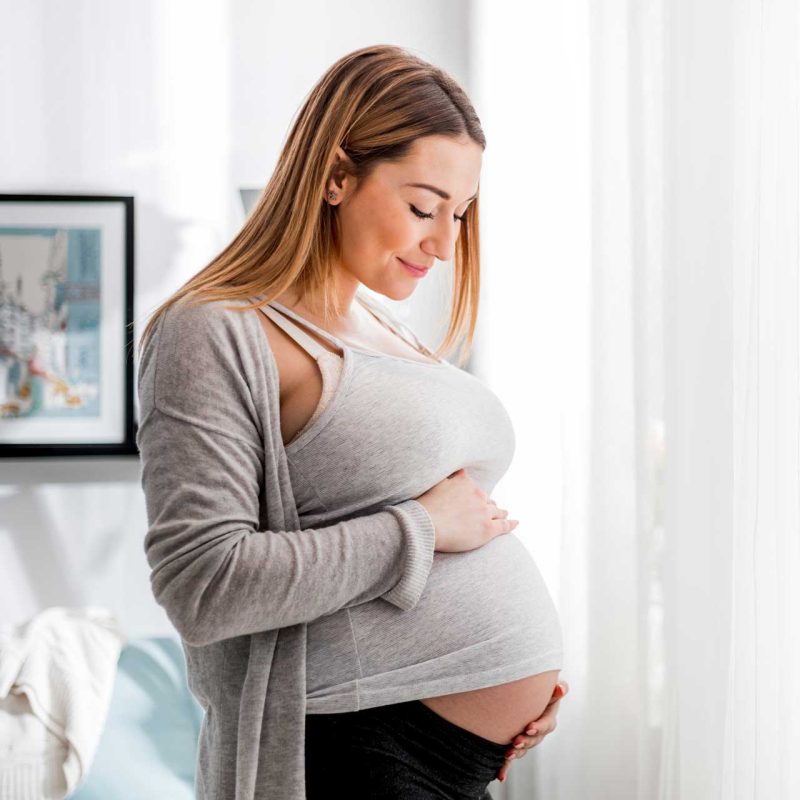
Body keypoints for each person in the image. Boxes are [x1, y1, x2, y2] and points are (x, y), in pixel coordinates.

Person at [136, 43, 569, 800]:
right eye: (422, 207)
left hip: (443, 760)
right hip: (350, 751)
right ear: (336, 175)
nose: (444, 242)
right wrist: (421, 529)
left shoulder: (378, 323)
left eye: (460, 215)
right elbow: (201, 584)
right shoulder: (216, 331)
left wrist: (496, 682)